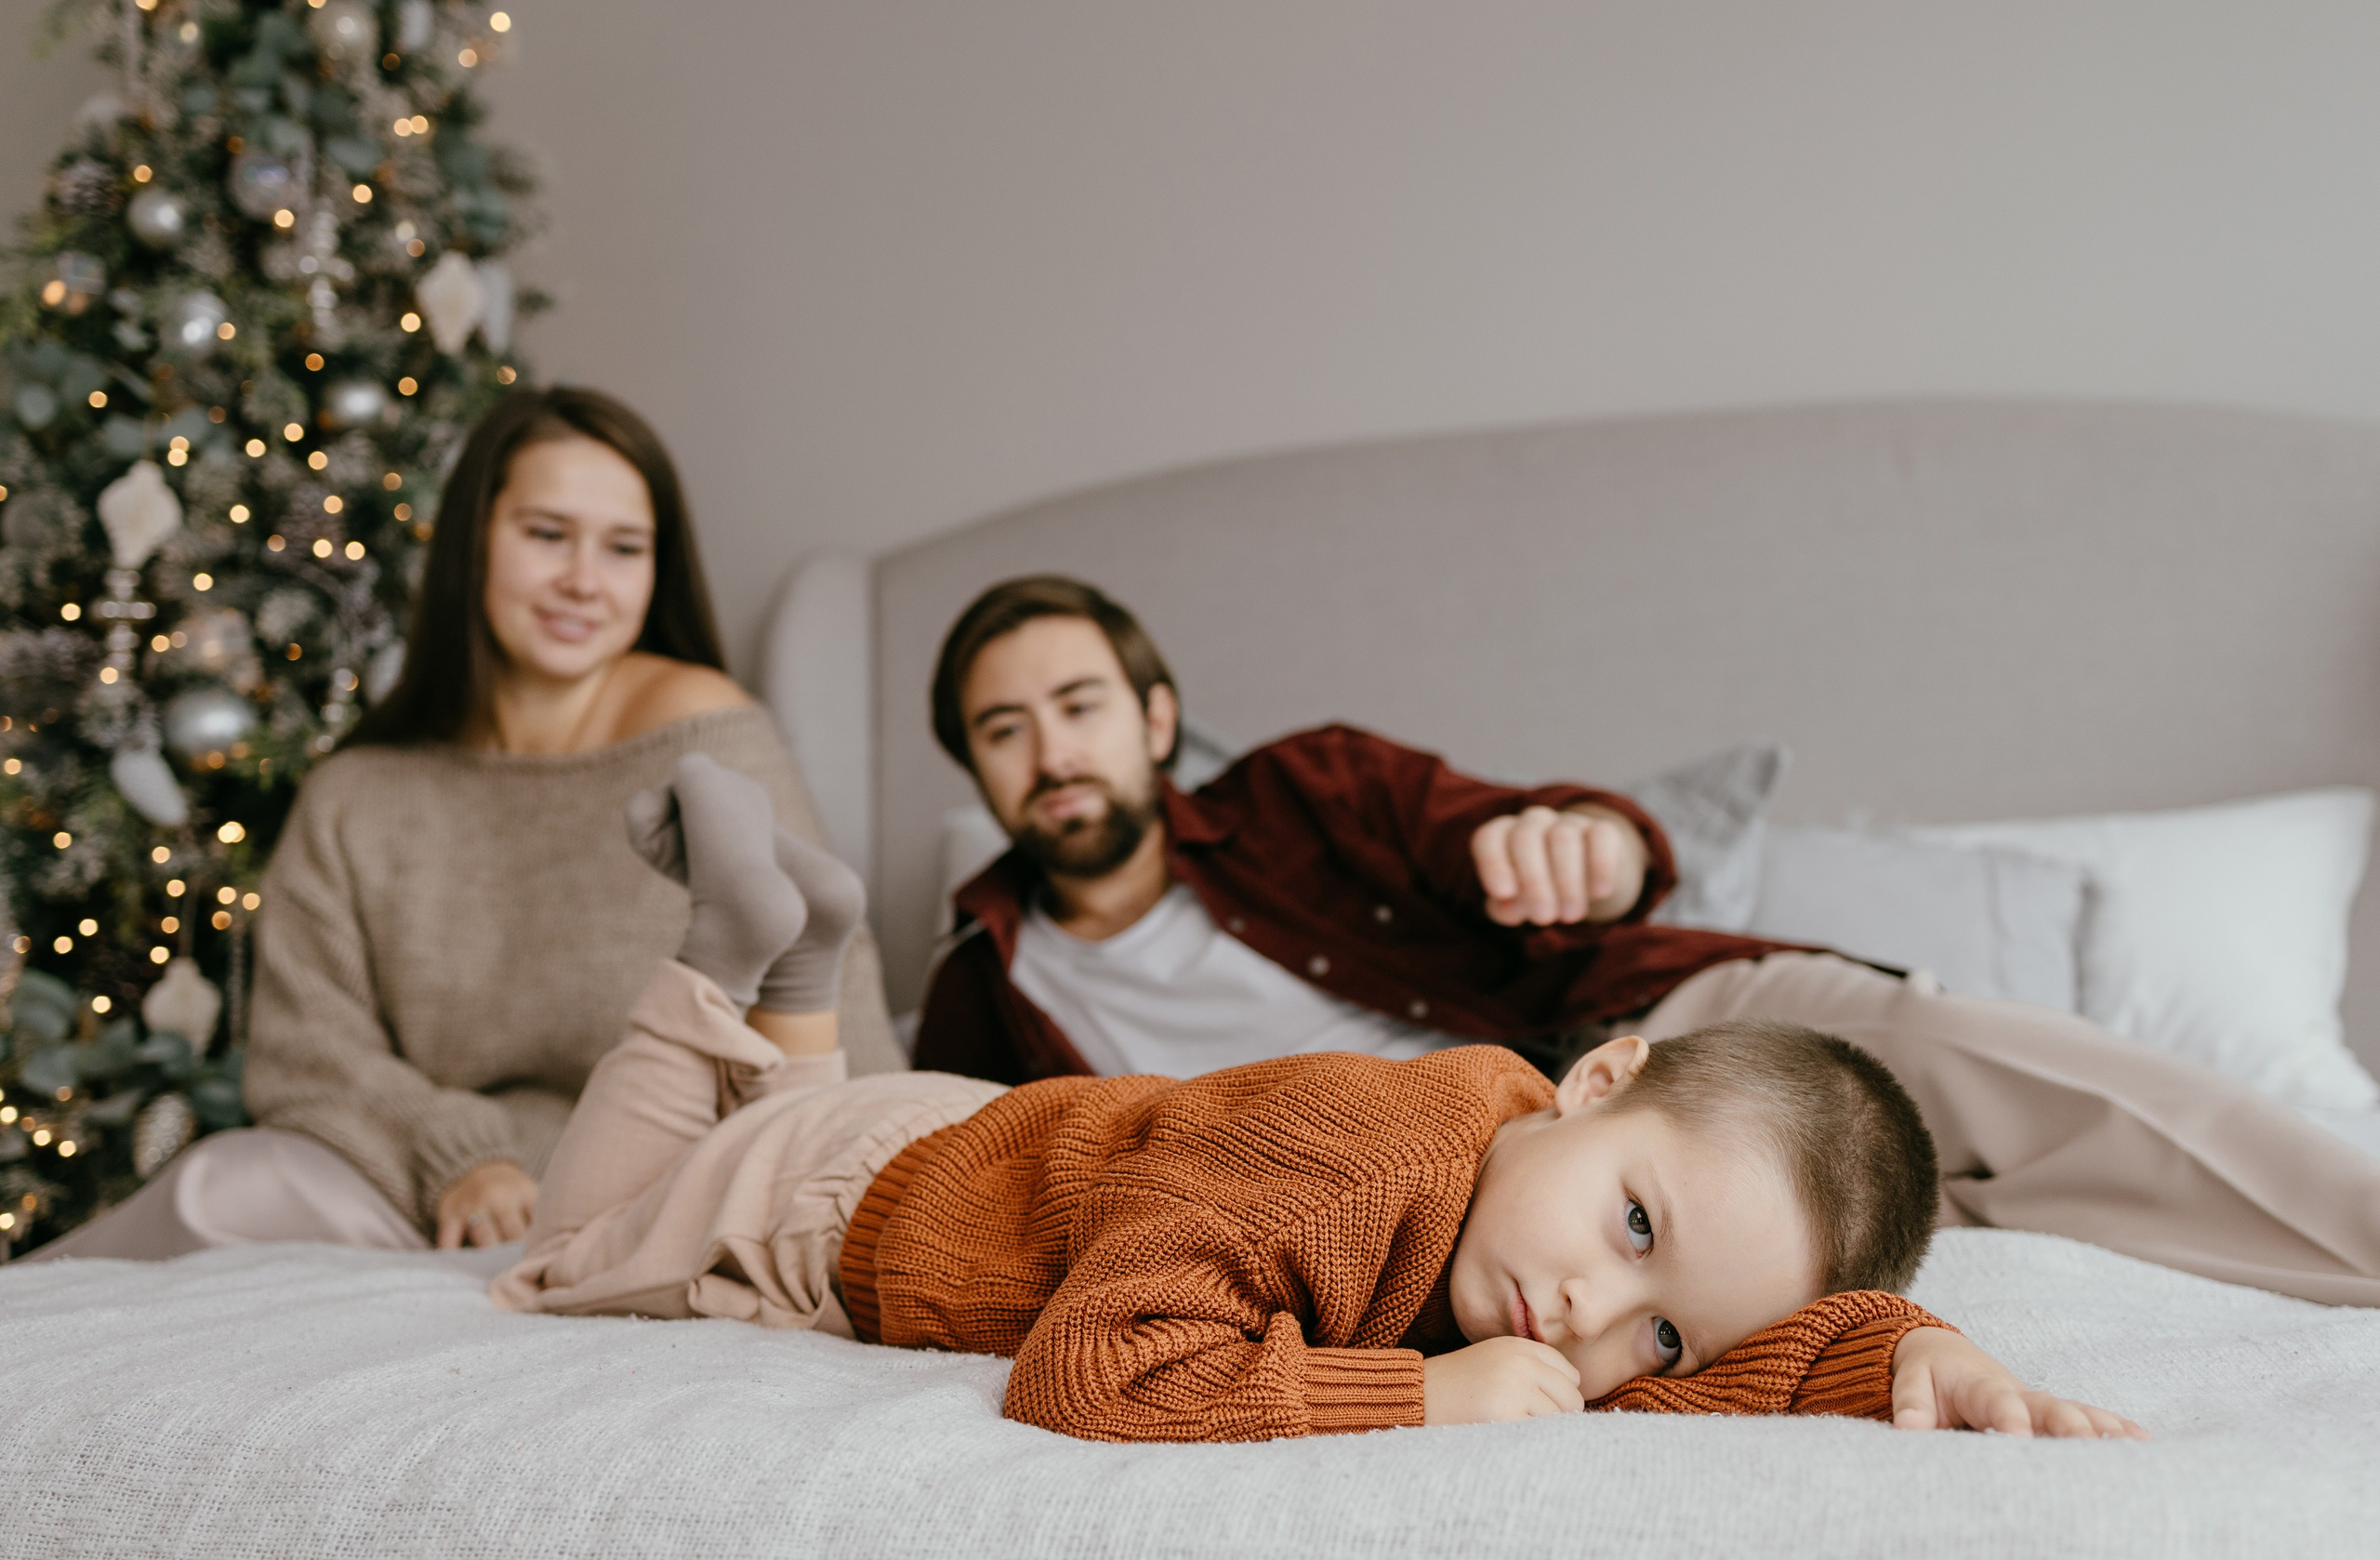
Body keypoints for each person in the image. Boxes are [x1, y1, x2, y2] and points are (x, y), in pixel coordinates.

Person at [492, 750, 2146, 1445]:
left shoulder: (1532, 1194)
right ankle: (736, 955)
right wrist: (1410, 1400)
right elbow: (1088, 1367)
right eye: (1632, 1224)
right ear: (1598, 1072)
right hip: (850, 1199)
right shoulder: (1361, 1161)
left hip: (972, 1137)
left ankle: (803, 975)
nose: (1587, 1316)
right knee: (577, 1238)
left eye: (1658, 1333)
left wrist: (1897, 1351)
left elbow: (1713, 1338)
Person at [910, 575, 2380, 1308]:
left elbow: (1537, 830)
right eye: (1005, 726)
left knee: (1957, 1068)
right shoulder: (983, 988)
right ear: (975, 769)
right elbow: (968, 1181)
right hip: (1420, 1220)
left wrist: (1595, 843)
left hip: (1630, 1032)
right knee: (1897, 1235)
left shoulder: (1310, 787)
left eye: (1080, 704)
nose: (1053, 751)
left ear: (1155, 720)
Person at [31, 387, 897, 1263]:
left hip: (670, 1194)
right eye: (546, 534)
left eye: (624, 548)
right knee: (226, 1186)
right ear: (472, 541)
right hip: (428, 1196)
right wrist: (459, 1158)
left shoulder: (708, 739)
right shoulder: (359, 794)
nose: (583, 581)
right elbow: (307, 1052)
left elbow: (827, 987)